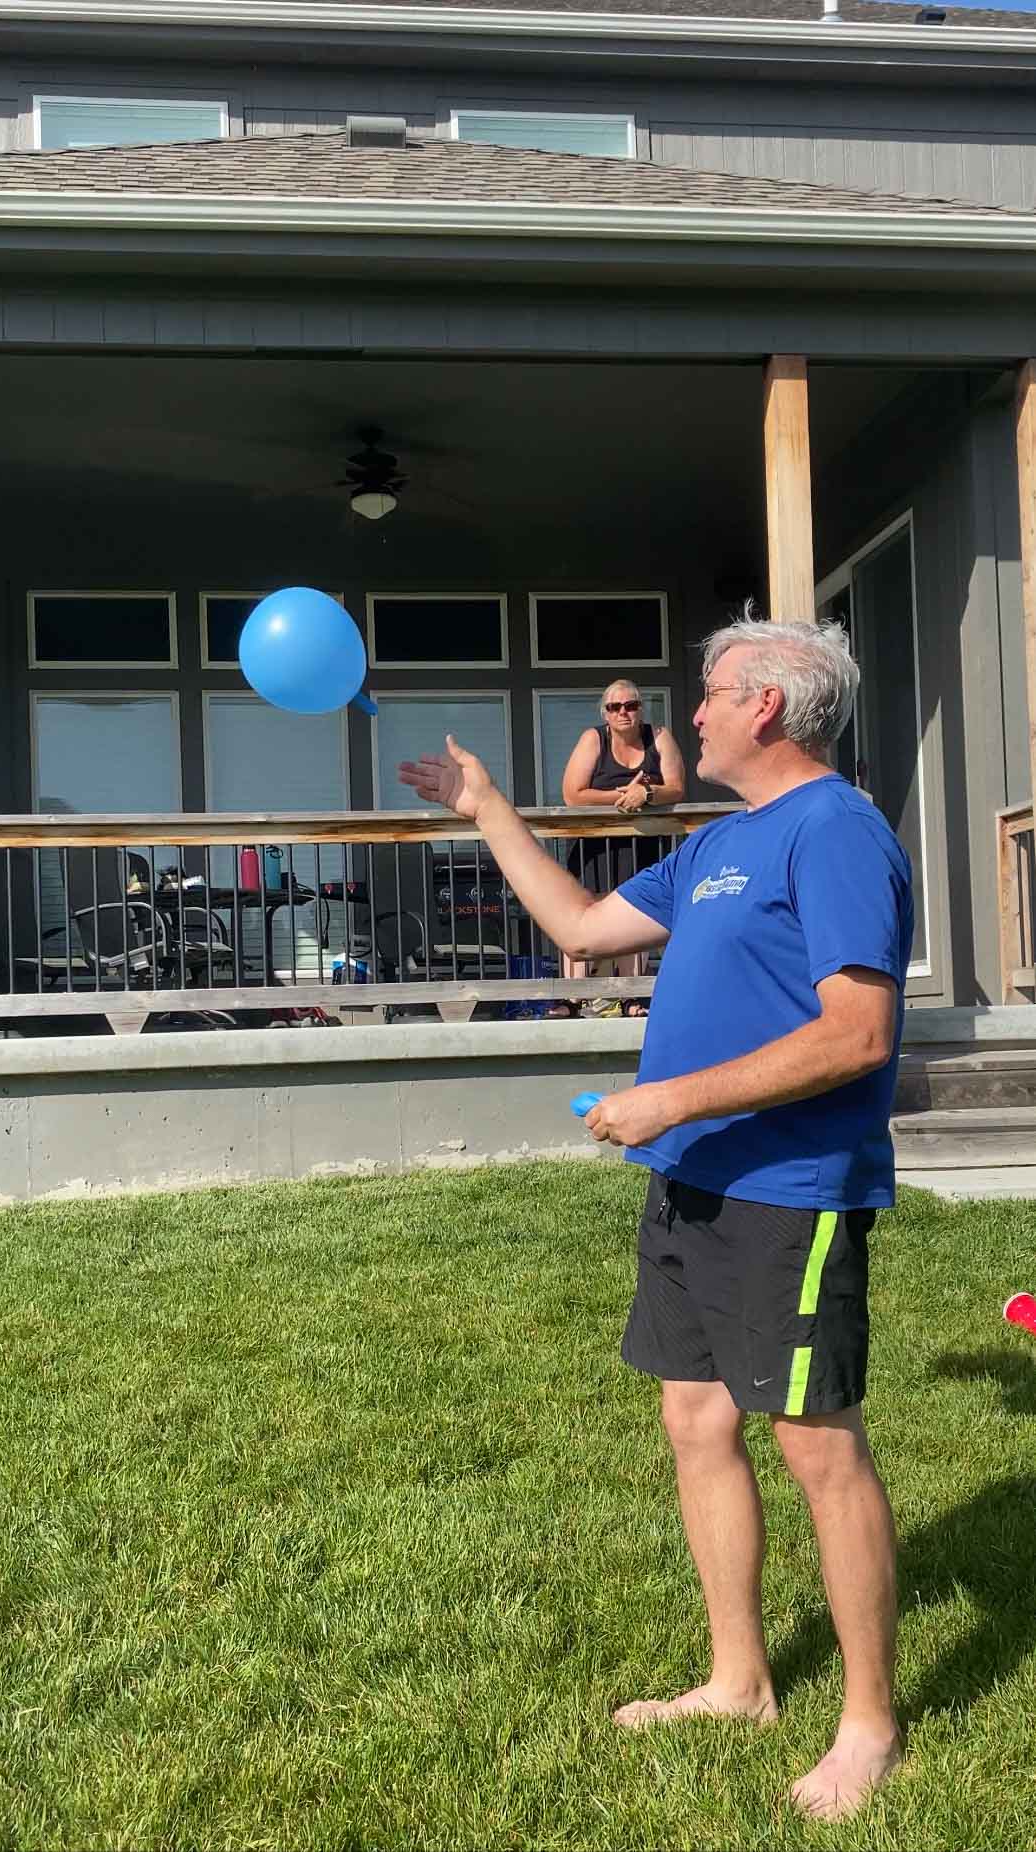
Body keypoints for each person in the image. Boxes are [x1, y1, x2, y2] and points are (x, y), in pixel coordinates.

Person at [399, 616, 911, 1823]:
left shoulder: (836, 830)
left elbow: (860, 1032)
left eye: (712, 693)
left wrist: (669, 1094)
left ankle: (871, 1718)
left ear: (770, 708)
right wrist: (486, 809)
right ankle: (739, 1680)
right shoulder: (719, 844)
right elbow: (580, 929)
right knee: (693, 1420)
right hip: (691, 1180)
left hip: (788, 1188)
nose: (691, 713)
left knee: (815, 1444)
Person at [559, 679, 685, 1017]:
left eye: (630, 705)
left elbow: (676, 788)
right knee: (585, 913)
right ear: (606, 713)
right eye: (615, 707)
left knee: (635, 913)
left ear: (641, 708)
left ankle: (631, 998)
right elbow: (573, 795)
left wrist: (647, 794)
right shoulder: (593, 739)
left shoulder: (658, 737)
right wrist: (622, 796)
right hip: (592, 846)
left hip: (641, 841)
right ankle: (573, 999)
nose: (623, 712)